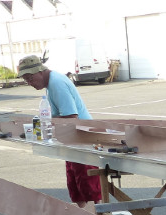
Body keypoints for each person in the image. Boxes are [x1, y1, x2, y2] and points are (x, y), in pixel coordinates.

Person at [17, 54, 102, 207]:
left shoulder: (57, 84)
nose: (29, 83)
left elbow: (71, 117)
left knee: (86, 182)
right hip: (71, 137)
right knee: (75, 182)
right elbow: (57, 116)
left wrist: (46, 124)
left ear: (40, 71)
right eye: (26, 80)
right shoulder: (51, 84)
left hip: (81, 136)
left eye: (30, 78)